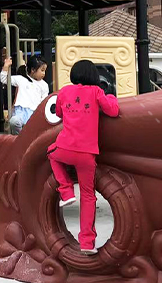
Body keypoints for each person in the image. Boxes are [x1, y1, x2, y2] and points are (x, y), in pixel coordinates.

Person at [47, 59, 120, 255]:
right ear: (93, 75)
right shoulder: (96, 92)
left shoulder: (64, 92)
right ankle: (87, 243)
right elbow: (113, 111)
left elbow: (59, 113)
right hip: (87, 153)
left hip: (64, 148)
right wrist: (110, 97)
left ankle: (66, 191)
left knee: (51, 153)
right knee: (88, 197)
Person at [0, 55, 50, 135]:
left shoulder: (44, 85)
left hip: (35, 112)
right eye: (42, 70)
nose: (44, 73)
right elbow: (4, 79)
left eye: (44, 71)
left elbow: (44, 101)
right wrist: (6, 66)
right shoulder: (21, 79)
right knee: (14, 121)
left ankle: (26, 137)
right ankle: (21, 136)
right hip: (20, 111)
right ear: (33, 70)